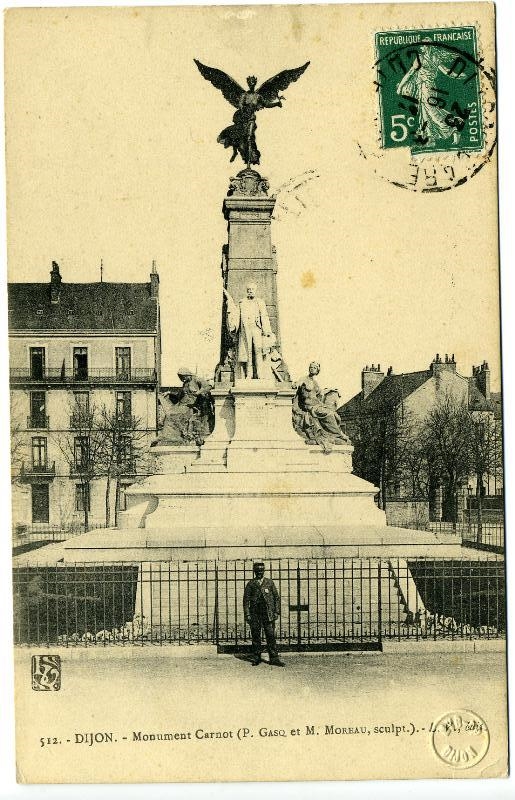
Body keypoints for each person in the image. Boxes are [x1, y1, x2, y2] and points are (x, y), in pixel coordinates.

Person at [293, 362, 349, 451]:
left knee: (334, 414)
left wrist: (331, 390)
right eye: (311, 367)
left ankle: (337, 434)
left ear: (317, 370)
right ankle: (338, 434)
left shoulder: (315, 383)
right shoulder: (304, 379)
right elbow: (297, 385)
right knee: (329, 414)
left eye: (314, 368)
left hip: (317, 405)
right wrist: (295, 385)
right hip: (310, 407)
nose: (312, 369)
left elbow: (320, 394)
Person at [224, 283, 275, 380]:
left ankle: (260, 373)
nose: (250, 291)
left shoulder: (260, 302)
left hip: (257, 329)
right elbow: (237, 316)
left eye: (252, 289)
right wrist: (234, 326)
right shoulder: (242, 303)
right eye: (248, 289)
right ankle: (249, 374)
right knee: (248, 352)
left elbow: (264, 316)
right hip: (246, 329)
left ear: (255, 290)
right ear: (246, 291)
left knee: (258, 350)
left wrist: (267, 330)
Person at [243, 562, 284, 667]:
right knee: (256, 636)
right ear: (254, 571)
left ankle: (274, 658)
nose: (259, 573)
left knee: (270, 636)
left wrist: (276, 611)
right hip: (255, 614)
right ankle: (256, 657)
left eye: (261, 570)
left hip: (268, 614)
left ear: (264, 571)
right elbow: (246, 600)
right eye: (257, 571)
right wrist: (247, 614)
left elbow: (276, 598)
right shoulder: (250, 584)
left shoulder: (269, 583)